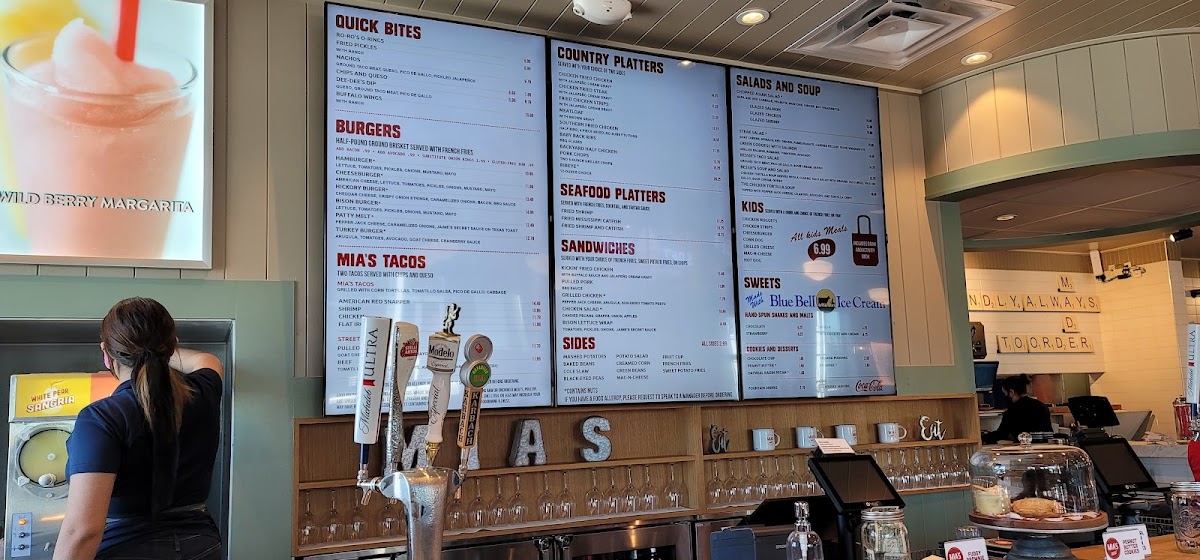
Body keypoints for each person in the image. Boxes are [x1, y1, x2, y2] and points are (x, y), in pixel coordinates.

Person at [54, 297, 224, 560]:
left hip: (127, 547)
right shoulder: (203, 391)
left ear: (106, 354)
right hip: (201, 546)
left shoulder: (100, 418)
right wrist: (158, 352)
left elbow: (83, 531)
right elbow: (205, 359)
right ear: (172, 348)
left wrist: (151, 352)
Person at [982, 374, 1052, 444]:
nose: (1004, 396)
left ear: (1011, 392)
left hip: (1022, 448)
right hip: (1044, 447)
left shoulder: (1011, 412)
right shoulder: (1042, 406)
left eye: (1005, 393)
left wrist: (983, 436)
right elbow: (1049, 433)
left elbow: (1001, 435)